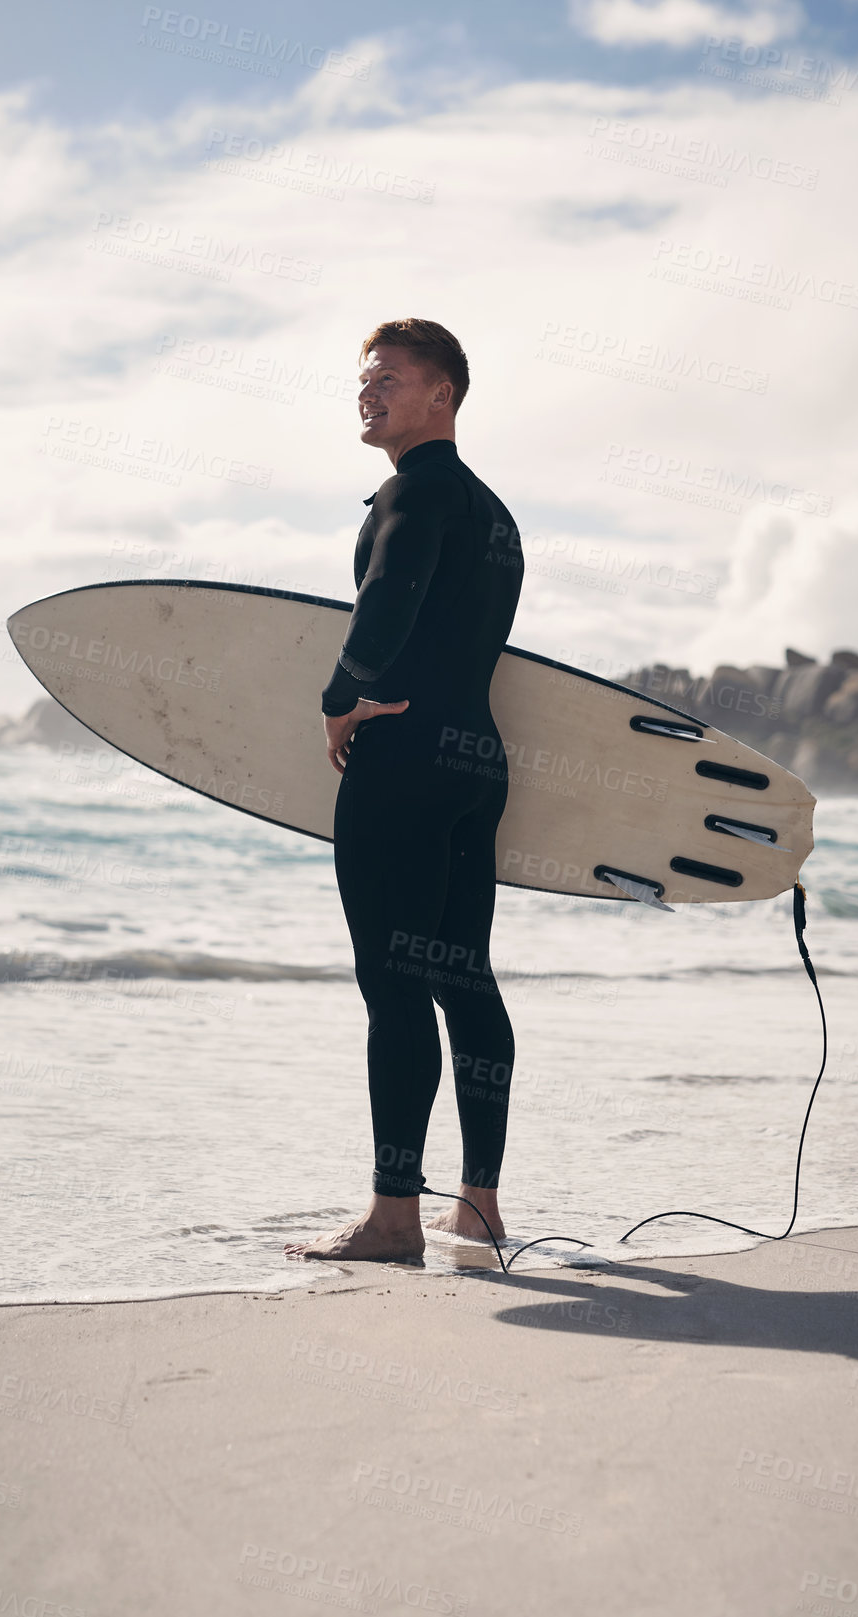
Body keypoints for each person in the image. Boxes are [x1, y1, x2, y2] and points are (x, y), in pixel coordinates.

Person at [285, 318, 525, 1263]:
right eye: (362, 378)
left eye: (388, 377)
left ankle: (393, 1218)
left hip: (404, 762)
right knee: (465, 979)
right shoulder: (495, 513)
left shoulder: (411, 493)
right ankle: (479, 1205)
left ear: (443, 395)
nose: (368, 391)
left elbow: (387, 603)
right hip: (476, 765)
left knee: (393, 988)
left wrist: (342, 701)